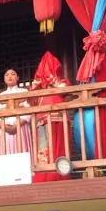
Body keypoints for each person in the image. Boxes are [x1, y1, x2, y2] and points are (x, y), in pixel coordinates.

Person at [30, 52, 71, 182]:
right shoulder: (38, 86)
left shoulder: (62, 82)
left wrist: (51, 80)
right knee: (44, 149)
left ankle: (59, 174)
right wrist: (38, 84)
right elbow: (30, 100)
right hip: (42, 120)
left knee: (59, 148)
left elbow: (66, 92)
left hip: (58, 119)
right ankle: (44, 175)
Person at [0, 68, 33, 156]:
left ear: (18, 77)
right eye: (7, 75)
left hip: (20, 127)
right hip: (5, 129)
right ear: (4, 78)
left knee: (22, 153)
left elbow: (28, 109)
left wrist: (16, 125)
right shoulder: (0, 96)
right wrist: (5, 127)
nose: (10, 76)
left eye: (13, 74)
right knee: (6, 155)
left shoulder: (24, 92)